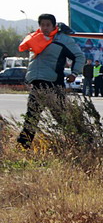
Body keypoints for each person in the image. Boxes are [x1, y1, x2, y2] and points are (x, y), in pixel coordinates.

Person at [16, 13, 84, 148]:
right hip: (37, 84)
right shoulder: (35, 38)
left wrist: (75, 73)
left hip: (54, 84)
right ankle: (24, 146)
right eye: (42, 25)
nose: (45, 28)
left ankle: (79, 144)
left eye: (48, 25)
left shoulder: (62, 40)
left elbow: (79, 56)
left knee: (62, 117)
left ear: (54, 25)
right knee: (31, 116)